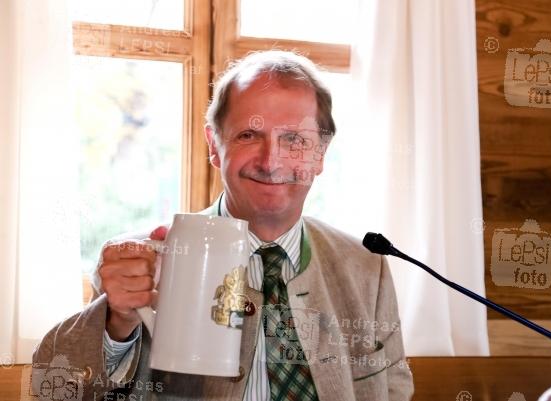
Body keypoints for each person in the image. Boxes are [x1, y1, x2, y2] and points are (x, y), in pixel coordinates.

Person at [32, 50, 414, 401]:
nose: (271, 161)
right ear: (214, 145)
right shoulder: (144, 259)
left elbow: (394, 390)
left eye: (294, 139)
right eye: (249, 135)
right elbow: (53, 387)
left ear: (320, 155)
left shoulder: (366, 264)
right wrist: (118, 322)